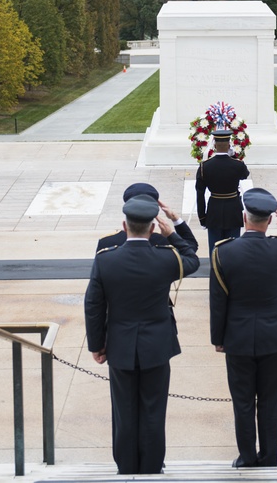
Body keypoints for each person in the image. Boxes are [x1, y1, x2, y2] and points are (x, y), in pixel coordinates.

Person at [84, 194, 200, 475]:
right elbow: (193, 259)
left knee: (124, 411)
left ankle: (126, 468)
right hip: (157, 347)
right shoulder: (165, 259)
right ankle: (151, 468)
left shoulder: (105, 260)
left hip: (121, 346)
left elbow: (94, 304)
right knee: (153, 411)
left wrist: (97, 345)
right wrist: (172, 232)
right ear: (152, 229)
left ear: (124, 227)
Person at [209, 188, 277, 468]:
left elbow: (217, 302)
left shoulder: (223, 252)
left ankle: (247, 457)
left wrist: (218, 338)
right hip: (276, 337)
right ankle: (269, 457)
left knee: (243, 402)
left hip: (238, 338)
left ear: (243, 216)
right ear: (269, 221)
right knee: (271, 402)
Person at [96, 182, 198, 254]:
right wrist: (174, 219)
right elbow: (190, 248)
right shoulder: (163, 244)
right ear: (152, 227)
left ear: (125, 225)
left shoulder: (106, 243)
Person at [195, 127, 250, 253]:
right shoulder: (238, 165)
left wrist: (202, 217)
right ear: (229, 145)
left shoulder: (204, 167)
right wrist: (233, 157)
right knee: (233, 250)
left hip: (214, 210)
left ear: (214, 145)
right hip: (233, 209)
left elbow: (200, 194)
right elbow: (245, 174)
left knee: (215, 251)